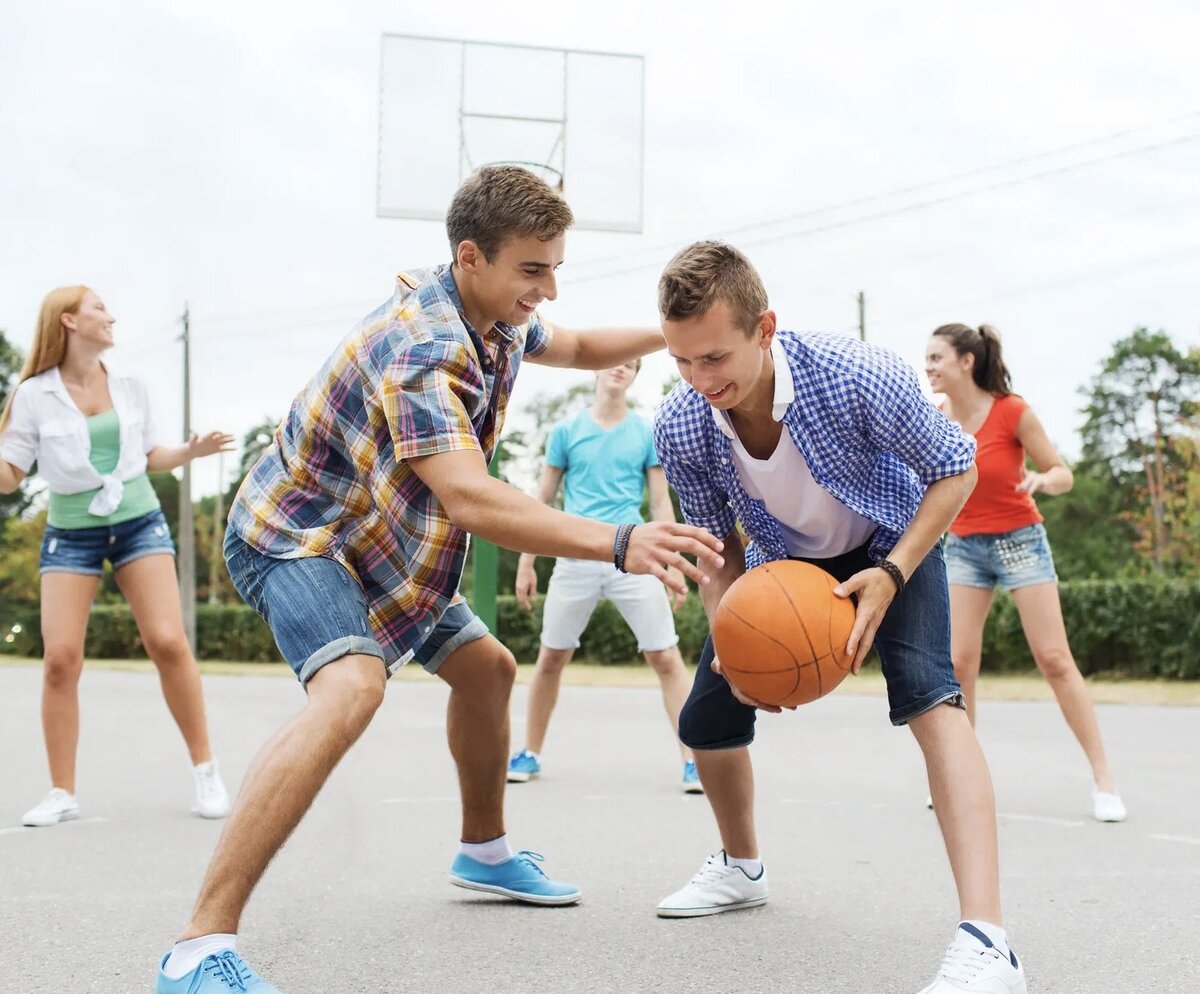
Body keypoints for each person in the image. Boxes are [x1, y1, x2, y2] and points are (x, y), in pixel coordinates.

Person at [153, 166, 724, 994]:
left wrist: (675, 339)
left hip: (386, 545)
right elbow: (467, 495)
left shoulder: (492, 314)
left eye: (556, 266)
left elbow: (577, 346)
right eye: (534, 269)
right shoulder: (426, 345)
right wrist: (619, 539)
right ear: (471, 257)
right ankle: (197, 947)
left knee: (488, 670)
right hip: (300, 537)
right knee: (351, 690)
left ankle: (483, 851)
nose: (549, 287)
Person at [652, 242, 1028, 994]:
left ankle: (988, 943)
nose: (701, 381)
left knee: (933, 697)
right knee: (705, 721)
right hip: (784, 564)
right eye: (683, 363)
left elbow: (956, 468)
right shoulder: (684, 424)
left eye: (716, 357)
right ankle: (740, 866)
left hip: (893, 541)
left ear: (766, 328)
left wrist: (892, 573)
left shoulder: (856, 375)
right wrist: (729, 633)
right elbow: (718, 548)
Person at [0, 286, 233, 828]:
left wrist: (189, 452)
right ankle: (62, 791)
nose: (111, 316)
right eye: (99, 309)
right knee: (61, 660)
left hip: (137, 522)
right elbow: (11, 473)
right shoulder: (33, 394)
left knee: (169, 642)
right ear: (69, 321)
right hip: (71, 531)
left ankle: (206, 771)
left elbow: (152, 456)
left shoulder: (130, 386)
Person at [925, 323, 1124, 823]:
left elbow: (1063, 472)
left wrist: (1043, 479)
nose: (927, 367)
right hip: (964, 547)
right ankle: (960, 779)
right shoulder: (940, 418)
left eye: (936, 358)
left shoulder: (1013, 411)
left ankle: (1104, 780)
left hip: (1020, 541)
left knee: (1054, 658)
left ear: (966, 362)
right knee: (959, 663)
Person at [509, 359, 702, 793]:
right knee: (551, 659)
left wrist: (670, 562)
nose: (621, 368)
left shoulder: (645, 433)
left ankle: (694, 760)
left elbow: (659, 503)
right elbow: (541, 503)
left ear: (634, 376)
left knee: (666, 659)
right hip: (575, 554)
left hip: (634, 554)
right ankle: (530, 752)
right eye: (614, 361)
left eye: (631, 365)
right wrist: (526, 561)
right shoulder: (565, 433)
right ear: (597, 369)